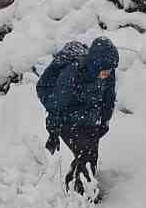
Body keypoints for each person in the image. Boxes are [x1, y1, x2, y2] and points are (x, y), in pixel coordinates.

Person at [36, 38, 120, 193]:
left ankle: (76, 188)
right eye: (104, 71)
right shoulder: (74, 72)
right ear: (95, 65)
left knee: (90, 157)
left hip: (90, 121)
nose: (107, 74)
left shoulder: (108, 73)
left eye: (110, 70)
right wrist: (53, 132)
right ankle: (82, 194)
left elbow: (108, 99)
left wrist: (105, 121)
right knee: (85, 154)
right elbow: (56, 104)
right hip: (67, 121)